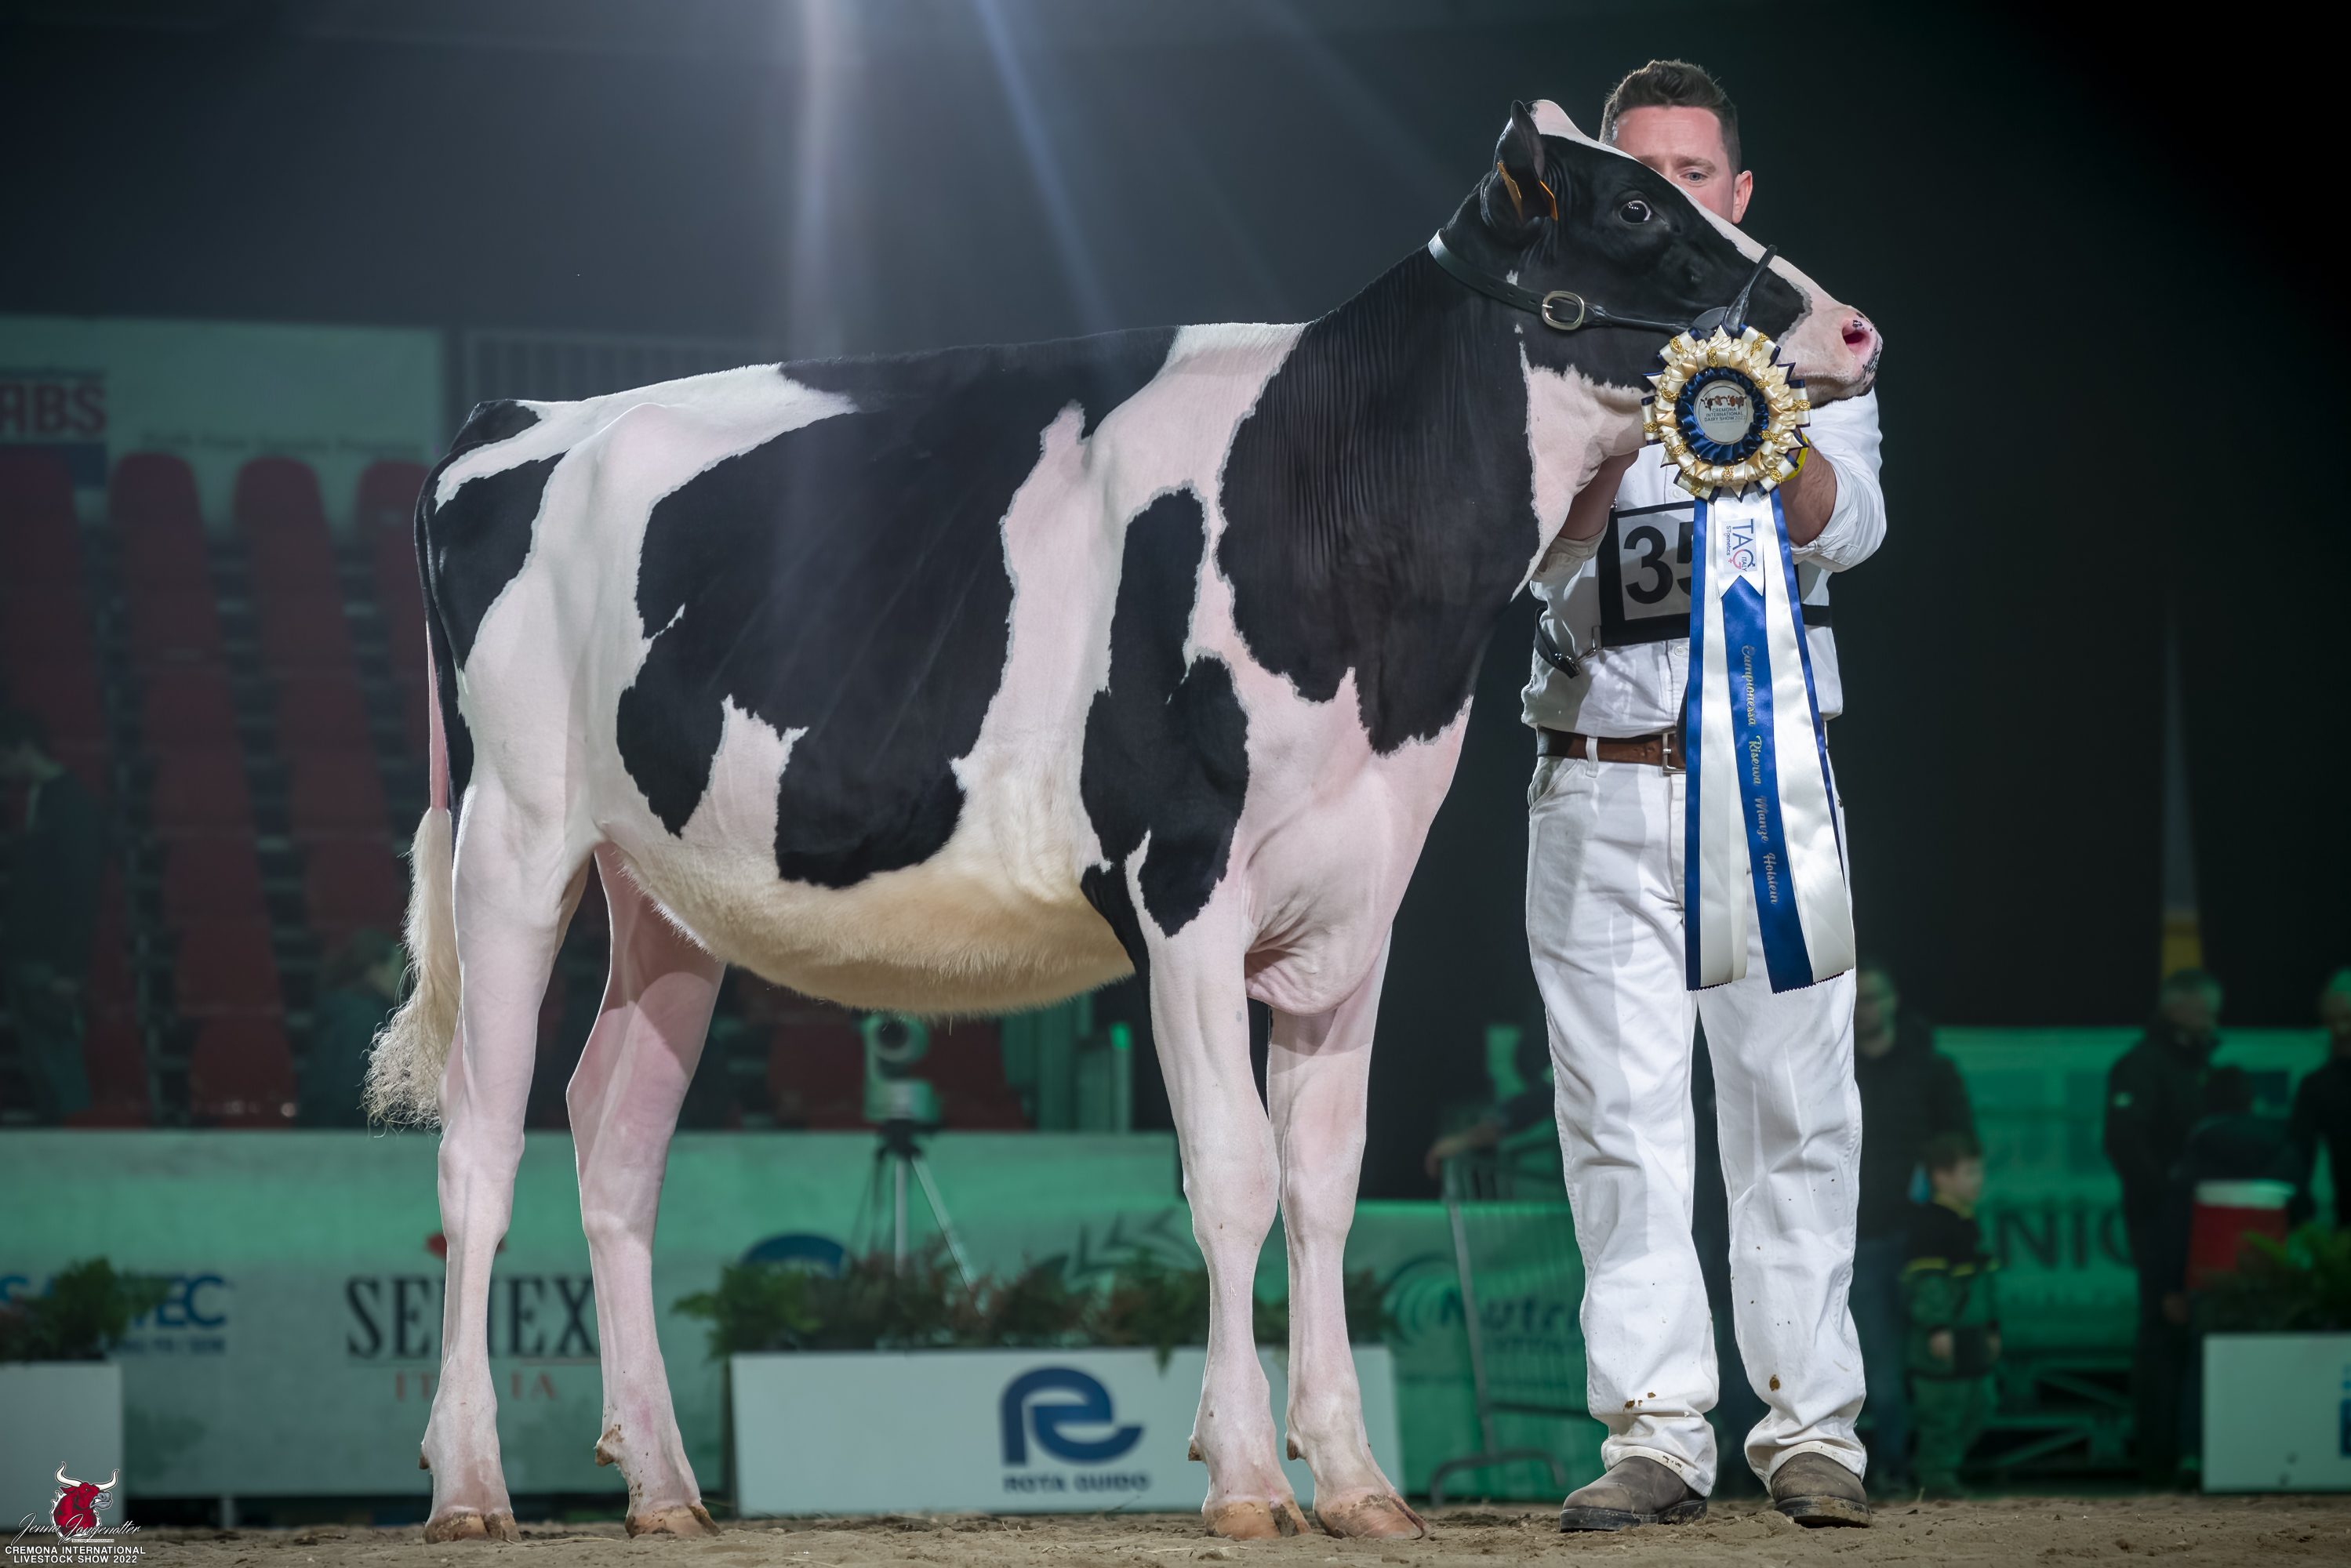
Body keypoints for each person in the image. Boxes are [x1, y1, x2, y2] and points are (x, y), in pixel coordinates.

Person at [1522, 60, 1886, 1530]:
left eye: (1692, 173)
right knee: (1617, 1122)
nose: (1667, 194)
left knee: (1794, 1107)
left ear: (1735, 195)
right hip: (1592, 781)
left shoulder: (1815, 340)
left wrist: (1756, 417)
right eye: (1640, 174)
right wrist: (1615, 431)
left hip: (1768, 778)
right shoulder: (1541, 340)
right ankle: (1656, 1432)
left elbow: (1851, 528)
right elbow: (1516, 552)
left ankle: (1809, 1431)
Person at [1848, 963, 1973, 1493]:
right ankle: (1894, 1464)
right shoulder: (1831, 1065)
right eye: (1858, 999)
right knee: (1880, 1365)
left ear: (1894, 1000)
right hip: (1862, 1238)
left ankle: (1939, 1464)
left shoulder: (1931, 1069)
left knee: (1937, 1356)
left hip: (1927, 1240)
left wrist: (1950, 1219)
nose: (1865, 1009)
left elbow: (1963, 1147)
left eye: (1874, 997)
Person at [2102, 967, 2222, 1482]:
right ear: (2177, 1007)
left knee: (2191, 1328)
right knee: (2162, 1327)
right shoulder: (2143, 1064)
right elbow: (2123, 1140)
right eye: (2207, 1011)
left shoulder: (2197, 1065)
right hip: (2161, 1222)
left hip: (2202, 1220)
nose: (2214, 1021)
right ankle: (2157, 1454)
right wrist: (2168, 1195)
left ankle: (2188, 1448)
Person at [1, 710, 109, 1124]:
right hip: (28, 956)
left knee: (61, 1071)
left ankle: (78, 1156)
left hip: (47, 963)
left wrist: (69, 971)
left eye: (2, 757)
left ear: (23, 749)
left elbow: (83, 893)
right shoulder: (40, 797)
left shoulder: (72, 804)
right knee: (42, 1072)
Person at [1903, 1132, 1998, 1498]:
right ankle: (1935, 1478)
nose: (1979, 1180)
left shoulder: (1968, 1220)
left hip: (1972, 1334)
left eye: (1979, 1171)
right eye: (1970, 1172)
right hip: (1943, 1338)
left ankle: (1946, 1471)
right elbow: (1928, 1283)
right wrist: (1938, 1327)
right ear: (1941, 1177)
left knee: (1979, 1403)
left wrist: (1992, 1326)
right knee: (1941, 1410)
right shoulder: (1930, 1224)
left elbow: (1984, 1283)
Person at [300, 927, 404, 1127]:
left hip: (324, 1128)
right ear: (377, 970)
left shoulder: (343, 1007)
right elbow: (353, 1089)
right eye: (398, 967)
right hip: (345, 1133)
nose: (403, 978)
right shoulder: (365, 1018)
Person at [2289, 968, 2351, 1221]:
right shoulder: (2317, 1085)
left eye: (2348, 1018)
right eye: (2332, 1021)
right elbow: (2300, 1157)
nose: (2341, 1029)